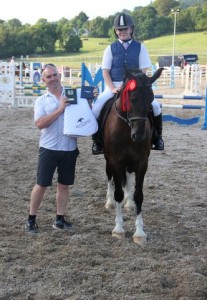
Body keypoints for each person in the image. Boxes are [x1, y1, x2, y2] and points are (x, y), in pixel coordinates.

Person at [91, 13, 164, 155]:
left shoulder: (140, 47)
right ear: (115, 31)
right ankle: (97, 141)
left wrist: (134, 85)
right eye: (119, 29)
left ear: (131, 29)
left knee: (155, 106)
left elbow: (143, 71)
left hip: (135, 86)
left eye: (125, 28)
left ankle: (157, 137)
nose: (122, 31)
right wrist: (112, 89)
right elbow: (105, 72)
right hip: (114, 84)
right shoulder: (110, 49)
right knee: (96, 108)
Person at [24, 63, 79, 233]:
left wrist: (90, 102)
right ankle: (31, 220)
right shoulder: (41, 100)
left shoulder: (72, 94)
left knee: (64, 185)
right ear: (43, 80)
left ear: (59, 75)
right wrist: (60, 109)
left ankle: (59, 219)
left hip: (69, 147)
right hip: (49, 147)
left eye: (55, 75)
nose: (53, 78)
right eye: (49, 77)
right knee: (41, 184)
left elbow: (83, 116)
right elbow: (40, 124)